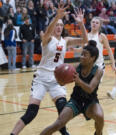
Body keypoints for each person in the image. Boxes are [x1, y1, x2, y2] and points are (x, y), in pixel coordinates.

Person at [10, 6, 88, 135]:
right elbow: (47, 33)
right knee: (31, 113)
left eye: (61, 25)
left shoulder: (65, 41)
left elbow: (85, 40)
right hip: (41, 77)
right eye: (56, 25)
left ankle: (64, 131)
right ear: (52, 26)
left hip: (57, 79)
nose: (59, 27)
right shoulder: (47, 39)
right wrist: (57, 17)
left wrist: (81, 24)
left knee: (63, 110)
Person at [40, 40, 104, 135]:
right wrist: (60, 79)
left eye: (84, 55)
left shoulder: (98, 71)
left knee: (100, 117)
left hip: (90, 102)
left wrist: (79, 81)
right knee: (58, 123)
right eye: (81, 54)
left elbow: (90, 89)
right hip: (76, 100)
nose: (81, 57)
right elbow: (62, 83)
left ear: (92, 58)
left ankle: (98, 134)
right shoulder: (76, 67)